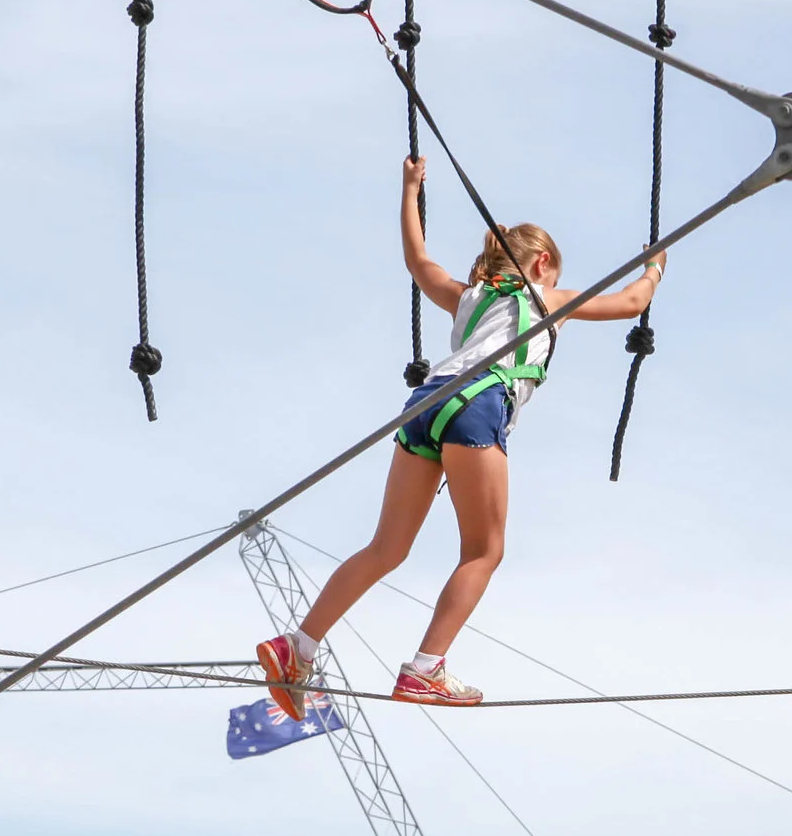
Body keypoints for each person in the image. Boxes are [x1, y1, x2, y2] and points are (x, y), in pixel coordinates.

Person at [257, 157, 668, 710]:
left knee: (385, 548)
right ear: (542, 263)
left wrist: (409, 190)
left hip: (424, 404)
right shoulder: (545, 297)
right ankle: (426, 667)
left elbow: (417, 259)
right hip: (478, 404)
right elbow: (632, 303)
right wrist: (655, 267)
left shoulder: (467, 298)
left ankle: (298, 647)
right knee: (484, 550)